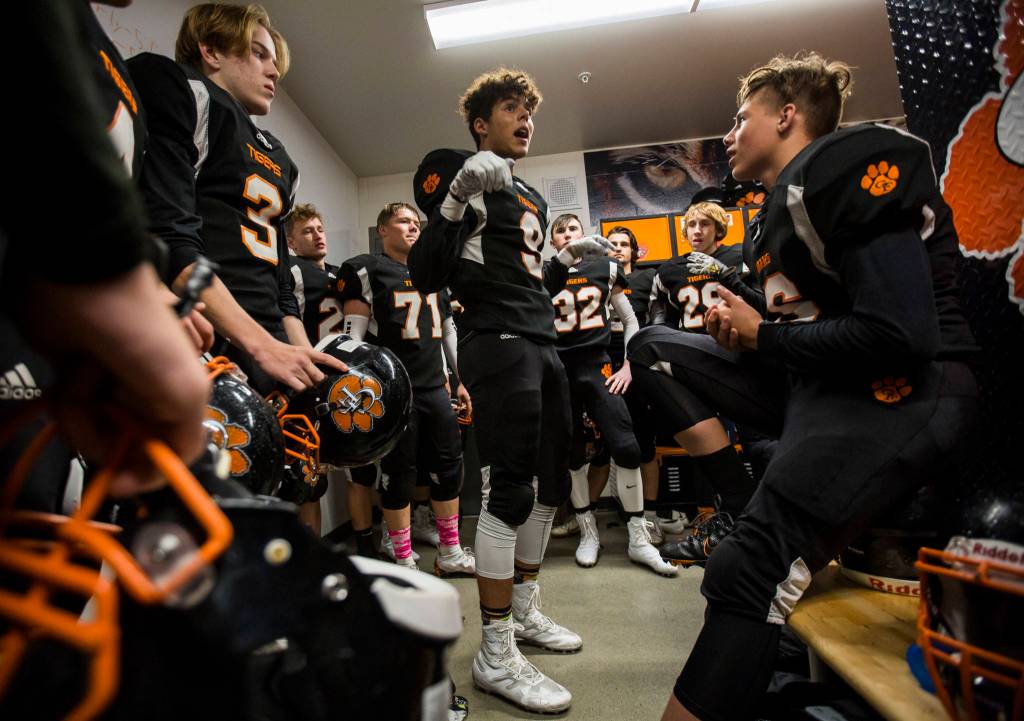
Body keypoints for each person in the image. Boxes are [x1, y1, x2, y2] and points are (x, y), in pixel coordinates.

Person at [622, 52, 979, 721]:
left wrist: (766, 337)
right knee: (652, 348)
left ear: (787, 114)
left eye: (740, 117)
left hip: (904, 389)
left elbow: (902, 334)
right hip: (824, 383)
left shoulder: (841, 165)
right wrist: (743, 327)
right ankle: (741, 502)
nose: (727, 135)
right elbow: (809, 329)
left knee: (743, 569)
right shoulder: (773, 211)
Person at [408, 68, 611, 713]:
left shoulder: (529, 195)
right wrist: (452, 201)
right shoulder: (457, 169)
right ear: (480, 122)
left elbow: (518, 274)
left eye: (530, 110)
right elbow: (428, 272)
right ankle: (494, 649)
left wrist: (563, 264)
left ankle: (522, 612)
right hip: (496, 345)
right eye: (511, 108)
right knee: (510, 489)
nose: (525, 118)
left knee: (552, 483)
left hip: (542, 345)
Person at [128, 3, 344, 397]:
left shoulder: (282, 160)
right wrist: (261, 346)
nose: (274, 71)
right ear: (211, 51)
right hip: (206, 334)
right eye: (259, 53)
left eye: (274, 60)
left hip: (268, 346)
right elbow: (171, 235)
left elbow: (281, 288)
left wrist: (300, 356)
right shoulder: (184, 91)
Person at [334, 202, 475, 576]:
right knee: (400, 474)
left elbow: (448, 331)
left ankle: (450, 550)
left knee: (448, 468)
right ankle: (401, 556)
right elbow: (354, 340)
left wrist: (458, 379)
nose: (413, 228)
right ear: (382, 230)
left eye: (416, 222)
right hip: (397, 389)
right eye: (403, 222)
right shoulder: (367, 268)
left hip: (435, 386)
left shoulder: (435, 274)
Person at [548, 213, 676, 576]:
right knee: (573, 455)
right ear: (554, 242)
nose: (569, 235)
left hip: (596, 363)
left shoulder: (605, 267)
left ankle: (638, 538)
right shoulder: (545, 274)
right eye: (561, 231)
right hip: (558, 370)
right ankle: (589, 532)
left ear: (583, 235)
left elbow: (631, 320)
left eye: (574, 229)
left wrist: (628, 365)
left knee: (626, 445)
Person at [647, 202, 756, 566]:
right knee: (704, 443)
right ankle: (712, 517)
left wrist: (725, 274)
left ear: (719, 228)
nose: (696, 230)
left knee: (753, 444)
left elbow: (763, 308)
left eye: (704, 223)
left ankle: (749, 521)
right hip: (696, 360)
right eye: (691, 224)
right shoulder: (670, 269)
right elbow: (658, 320)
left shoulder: (738, 258)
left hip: (741, 358)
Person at [286, 202, 343, 345]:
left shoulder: (340, 272)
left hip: (344, 356)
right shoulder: (291, 268)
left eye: (320, 230)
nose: (318, 236)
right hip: (311, 356)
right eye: (307, 231)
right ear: (291, 243)